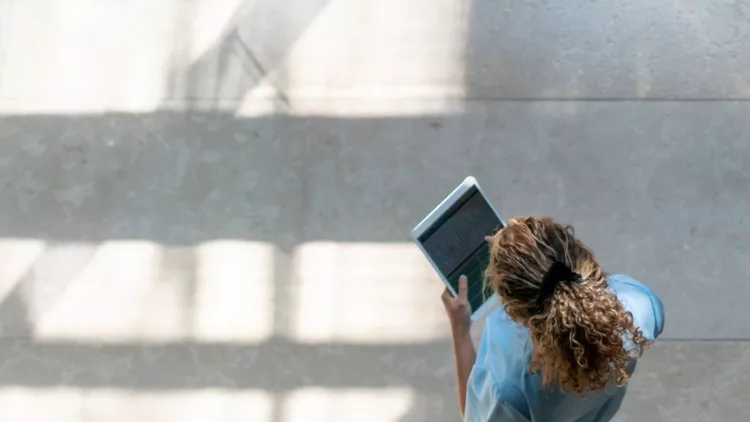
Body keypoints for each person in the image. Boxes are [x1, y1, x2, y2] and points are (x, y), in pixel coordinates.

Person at [441, 217, 665, 422]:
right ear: (582, 255)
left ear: (513, 313)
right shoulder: (641, 305)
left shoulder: (507, 387)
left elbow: (472, 416)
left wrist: (460, 328)